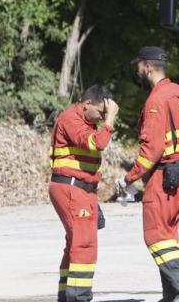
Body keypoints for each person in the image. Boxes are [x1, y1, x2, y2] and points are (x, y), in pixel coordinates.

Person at [122, 46, 179, 302]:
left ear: (147, 67)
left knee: (156, 236)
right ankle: (172, 294)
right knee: (169, 235)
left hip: (163, 177)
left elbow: (152, 148)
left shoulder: (155, 101)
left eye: (139, 66)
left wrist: (130, 177)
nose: (138, 70)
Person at [49, 84, 119, 302]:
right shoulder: (71, 119)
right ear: (87, 103)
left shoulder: (87, 121)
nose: (101, 118)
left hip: (83, 189)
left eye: (104, 115)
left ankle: (67, 295)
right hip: (71, 187)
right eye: (100, 112)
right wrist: (110, 121)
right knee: (84, 244)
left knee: (76, 244)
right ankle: (79, 297)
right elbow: (97, 143)